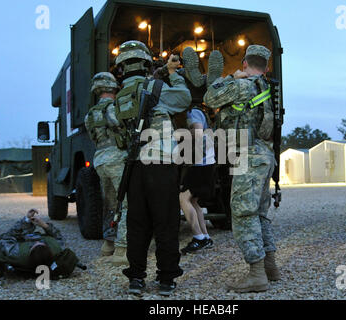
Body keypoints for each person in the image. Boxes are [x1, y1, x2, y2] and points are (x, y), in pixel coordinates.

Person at [114, 40, 191, 297]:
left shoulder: (121, 96)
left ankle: (136, 278)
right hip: (160, 162)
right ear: (146, 63)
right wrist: (173, 74)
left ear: (122, 67)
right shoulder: (156, 87)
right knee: (165, 222)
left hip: (134, 165)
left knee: (137, 223)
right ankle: (166, 279)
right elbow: (184, 99)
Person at [204, 45, 281, 293]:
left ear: (245, 63)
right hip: (265, 156)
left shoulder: (241, 85)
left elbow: (209, 98)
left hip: (248, 157)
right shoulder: (267, 89)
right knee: (259, 213)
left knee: (242, 214)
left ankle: (257, 274)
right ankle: (270, 266)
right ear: (267, 67)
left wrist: (230, 76)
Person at [84, 73, 128, 266]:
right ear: (113, 88)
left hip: (100, 159)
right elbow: (121, 126)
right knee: (126, 203)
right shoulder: (112, 109)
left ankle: (108, 244)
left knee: (109, 203)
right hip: (116, 158)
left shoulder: (89, 114)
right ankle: (122, 250)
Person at [179, 107, 216, 254]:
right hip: (204, 163)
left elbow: (198, 132)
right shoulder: (197, 112)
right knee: (193, 201)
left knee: (183, 198)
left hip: (201, 164)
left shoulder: (192, 112)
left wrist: (178, 136)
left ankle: (198, 238)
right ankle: (205, 237)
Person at [0, 209, 65, 270]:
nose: (36, 241)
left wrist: (25, 222)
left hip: (13, 241)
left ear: (30, 251)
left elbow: (7, 236)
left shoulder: (15, 252)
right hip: (21, 241)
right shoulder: (56, 249)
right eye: (41, 243)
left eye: (35, 244)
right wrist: (44, 225)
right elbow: (58, 236)